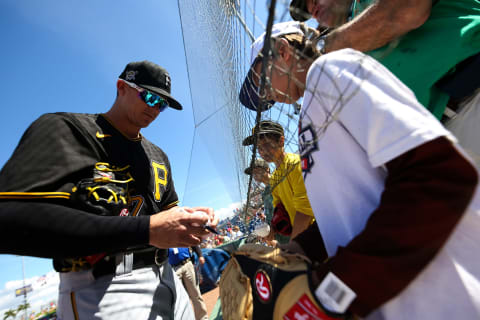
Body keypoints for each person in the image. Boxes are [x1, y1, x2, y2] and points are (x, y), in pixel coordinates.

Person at [239, 21, 480, 319]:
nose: (266, 97)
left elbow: (441, 176)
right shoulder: (311, 109)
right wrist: (300, 249)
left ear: (283, 51)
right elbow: (349, 210)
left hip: (447, 295)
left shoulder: (331, 71)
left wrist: (332, 287)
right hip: (397, 297)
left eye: (261, 83)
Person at [0, 60, 218, 320]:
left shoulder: (158, 155)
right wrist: (146, 230)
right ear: (121, 87)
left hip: (167, 273)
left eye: (162, 104)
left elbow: (169, 212)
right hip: (105, 285)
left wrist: (194, 218)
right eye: (149, 96)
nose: (155, 109)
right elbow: (8, 219)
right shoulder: (70, 130)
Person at [289, 0, 480, 165]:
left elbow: (409, 8)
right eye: (306, 11)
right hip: (442, 134)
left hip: (470, 92)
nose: (312, 9)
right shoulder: (351, 30)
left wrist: (329, 46)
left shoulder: (343, 39)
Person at [243, 120, 315, 241]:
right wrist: (273, 229)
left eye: (266, 144)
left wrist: (293, 246)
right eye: (258, 147)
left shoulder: (296, 164)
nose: (262, 151)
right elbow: (280, 208)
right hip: (302, 236)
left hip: (315, 232)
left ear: (281, 141)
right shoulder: (275, 177)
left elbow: (305, 212)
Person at [168, 247, 208, 320]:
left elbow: (194, 243)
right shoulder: (165, 237)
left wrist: (200, 255)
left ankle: (203, 318)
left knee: (196, 294)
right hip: (173, 269)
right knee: (179, 299)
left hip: (187, 264)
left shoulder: (182, 235)